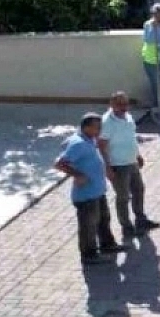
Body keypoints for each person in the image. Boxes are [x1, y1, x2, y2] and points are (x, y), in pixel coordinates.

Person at [55, 113, 122, 265]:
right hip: (86, 195)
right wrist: (78, 175)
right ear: (86, 127)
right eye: (97, 127)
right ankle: (89, 255)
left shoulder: (89, 139)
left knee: (104, 219)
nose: (100, 130)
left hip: (98, 191)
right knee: (88, 226)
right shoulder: (78, 143)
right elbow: (60, 163)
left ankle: (108, 245)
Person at [99, 91, 160, 239]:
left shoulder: (128, 117)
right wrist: (107, 168)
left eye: (125, 103)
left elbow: (131, 138)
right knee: (123, 197)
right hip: (118, 165)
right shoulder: (107, 122)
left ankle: (141, 219)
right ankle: (126, 226)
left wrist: (137, 155)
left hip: (131, 162)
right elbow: (101, 146)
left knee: (139, 190)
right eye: (119, 104)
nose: (124, 107)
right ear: (112, 105)